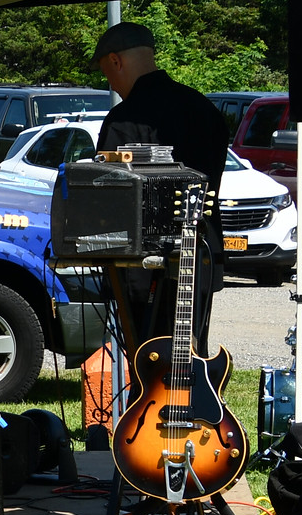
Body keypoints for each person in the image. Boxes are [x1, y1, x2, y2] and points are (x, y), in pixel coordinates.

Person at [93, 21, 231, 346]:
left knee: (147, 360)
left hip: (141, 264)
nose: (110, 83)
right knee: (191, 356)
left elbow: (108, 198)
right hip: (200, 255)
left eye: (107, 73)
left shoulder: (124, 120)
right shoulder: (205, 109)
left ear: (116, 61)